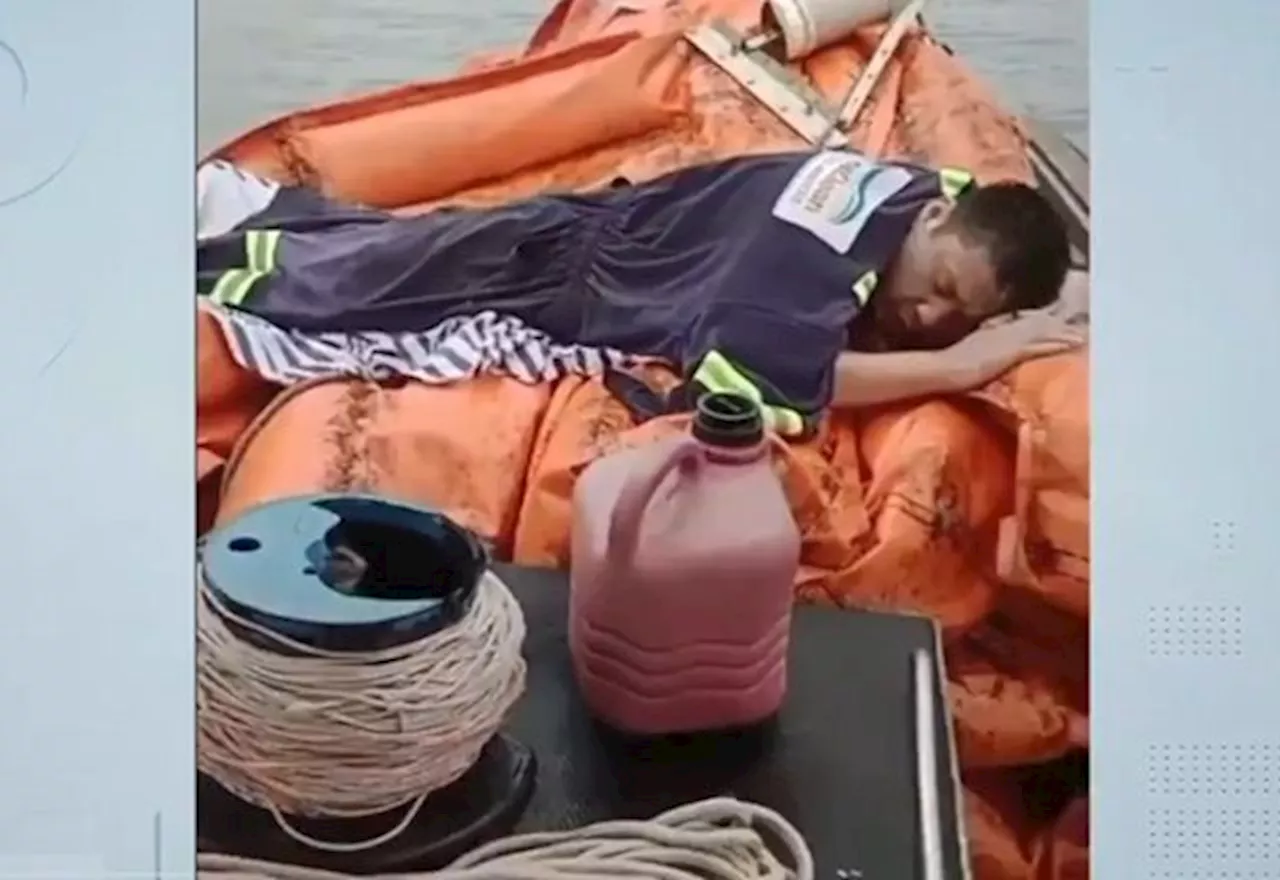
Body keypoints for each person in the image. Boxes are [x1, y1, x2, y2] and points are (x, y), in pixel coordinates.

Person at [197, 149, 1084, 436]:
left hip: (621, 226)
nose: (928, 318)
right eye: (936, 289)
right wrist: (964, 365)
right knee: (324, 289)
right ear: (931, 223)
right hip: (547, 269)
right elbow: (776, 372)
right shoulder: (797, 272)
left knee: (383, 249)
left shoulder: (908, 187)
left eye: (958, 315)